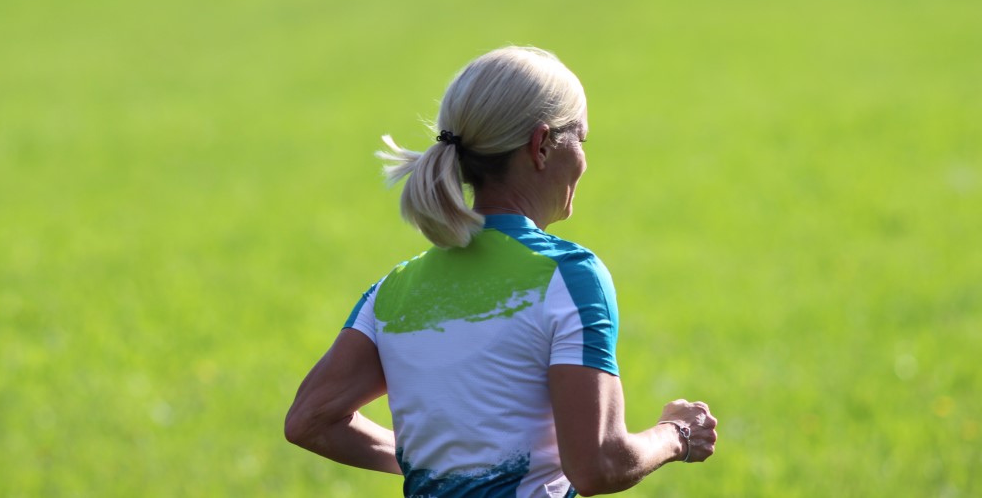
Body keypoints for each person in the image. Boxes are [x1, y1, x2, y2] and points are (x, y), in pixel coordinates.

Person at [285, 46, 717, 497]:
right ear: (542, 146)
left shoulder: (393, 289)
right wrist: (677, 434)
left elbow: (309, 420)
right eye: (582, 141)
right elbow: (598, 466)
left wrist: (450, 465)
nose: (584, 161)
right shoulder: (569, 277)